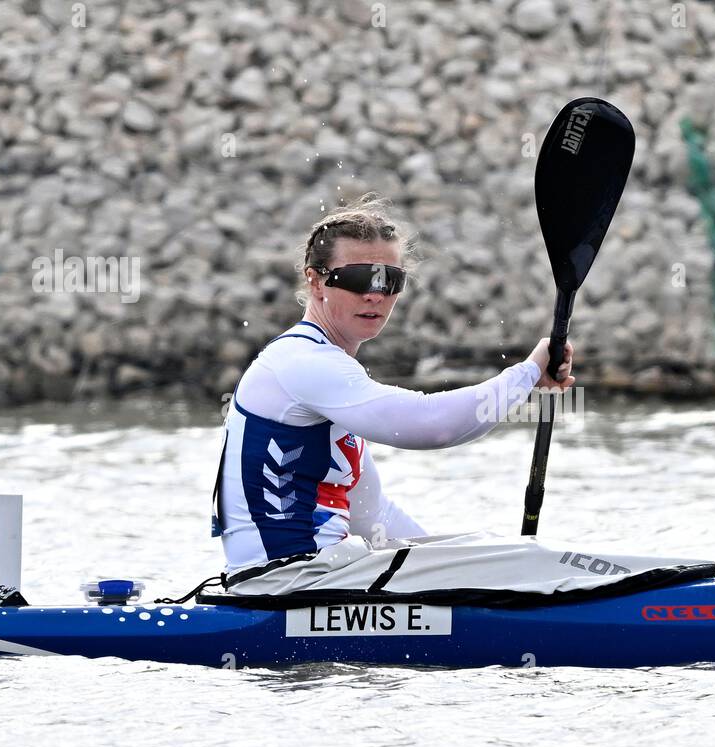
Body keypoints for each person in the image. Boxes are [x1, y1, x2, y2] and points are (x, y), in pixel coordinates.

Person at [213, 194, 574, 594]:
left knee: (493, 550)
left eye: (390, 281)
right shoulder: (300, 361)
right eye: (358, 278)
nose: (375, 295)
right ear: (315, 280)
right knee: (510, 559)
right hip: (285, 585)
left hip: (321, 577)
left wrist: (455, 570)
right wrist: (526, 373)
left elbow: (373, 518)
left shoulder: (331, 378)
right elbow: (431, 426)